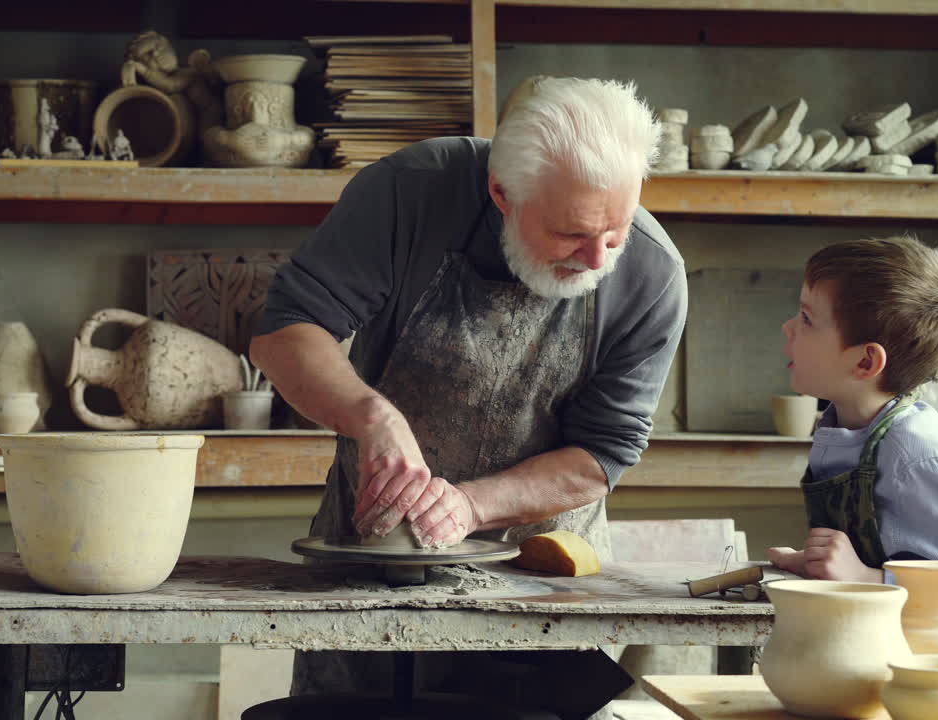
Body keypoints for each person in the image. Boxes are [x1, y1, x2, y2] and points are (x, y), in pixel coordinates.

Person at [250, 77, 687, 715]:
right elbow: (285, 332)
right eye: (571, 234)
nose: (597, 260)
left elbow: (603, 453)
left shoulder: (652, 274)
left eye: (615, 233)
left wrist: (470, 505)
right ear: (502, 192)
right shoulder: (409, 194)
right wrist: (372, 417)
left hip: (540, 579)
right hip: (373, 557)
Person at [767, 236, 938, 619]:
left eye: (806, 318)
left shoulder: (916, 457)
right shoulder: (847, 427)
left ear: (865, 362)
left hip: (924, 655)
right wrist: (817, 564)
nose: (787, 327)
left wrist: (867, 578)